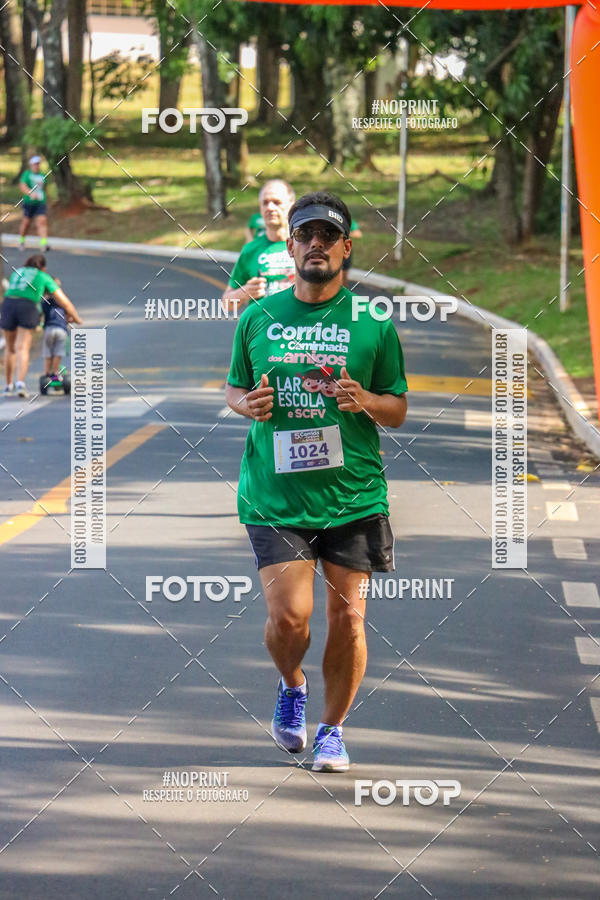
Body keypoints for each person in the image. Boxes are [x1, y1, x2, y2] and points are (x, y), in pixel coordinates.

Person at [225, 191, 408, 772]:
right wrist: (244, 404)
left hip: (353, 495)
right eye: (306, 236)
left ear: (346, 248)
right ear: (290, 245)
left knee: (349, 617)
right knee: (290, 617)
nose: (316, 246)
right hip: (275, 495)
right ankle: (291, 684)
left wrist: (366, 400)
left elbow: (398, 407)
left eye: (329, 237)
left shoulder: (373, 322)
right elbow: (232, 386)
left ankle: (332, 728)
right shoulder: (259, 316)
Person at [1, 255, 80, 397]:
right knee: (22, 347)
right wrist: (76, 318)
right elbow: (64, 302)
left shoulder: (17, 272)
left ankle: (8, 385)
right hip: (27, 306)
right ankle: (20, 384)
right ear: (43, 267)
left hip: (8, 304)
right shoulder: (43, 276)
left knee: (10, 347)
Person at [222, 179, 296, 309]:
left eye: (277, 202)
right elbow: (226, 304)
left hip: (299, 326)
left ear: (292, 205)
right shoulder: (250, 250)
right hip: (262, 327)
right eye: (265, 203)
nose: (270, 207)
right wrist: (244, 292)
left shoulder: (306, 246)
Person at [41, 277, 82, 391]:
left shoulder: (44, 302)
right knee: (58, 353)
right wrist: (74, 320)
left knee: (48, 353)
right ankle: (55, 374)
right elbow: (69, 316)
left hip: (49, 329)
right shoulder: (63, 302)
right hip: (61, 330)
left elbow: (42, 316)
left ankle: (47, 375)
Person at [19, 156, 50, 252]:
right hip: (29, 202)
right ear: (31, 165)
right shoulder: (27, 174)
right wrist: (30, 193)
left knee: (42, 221)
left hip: (41, 202)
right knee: (26, 223)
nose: (37, 166)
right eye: (35, 164)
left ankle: (43, 244)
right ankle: (22, 241)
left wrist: (48, 199)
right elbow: (23, 186)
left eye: (38, 164)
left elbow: (45, 189)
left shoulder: (43, 175)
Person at [342, 218, 362, 287]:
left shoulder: (348, 221)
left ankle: (343, 295)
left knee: (343, 275)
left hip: (344, 250)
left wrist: (343, 233)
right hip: (331, 249)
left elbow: (358, 234)